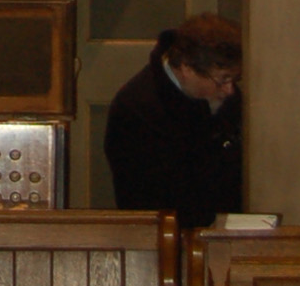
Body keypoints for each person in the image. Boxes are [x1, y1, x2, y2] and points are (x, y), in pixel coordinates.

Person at [102, 12, 243, 231]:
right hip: (166, 240)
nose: (229, 90)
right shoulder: (136, 110)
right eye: (222, 80)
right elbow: (144, 203)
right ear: (186, 68)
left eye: (234, 80)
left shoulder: (225, 99)